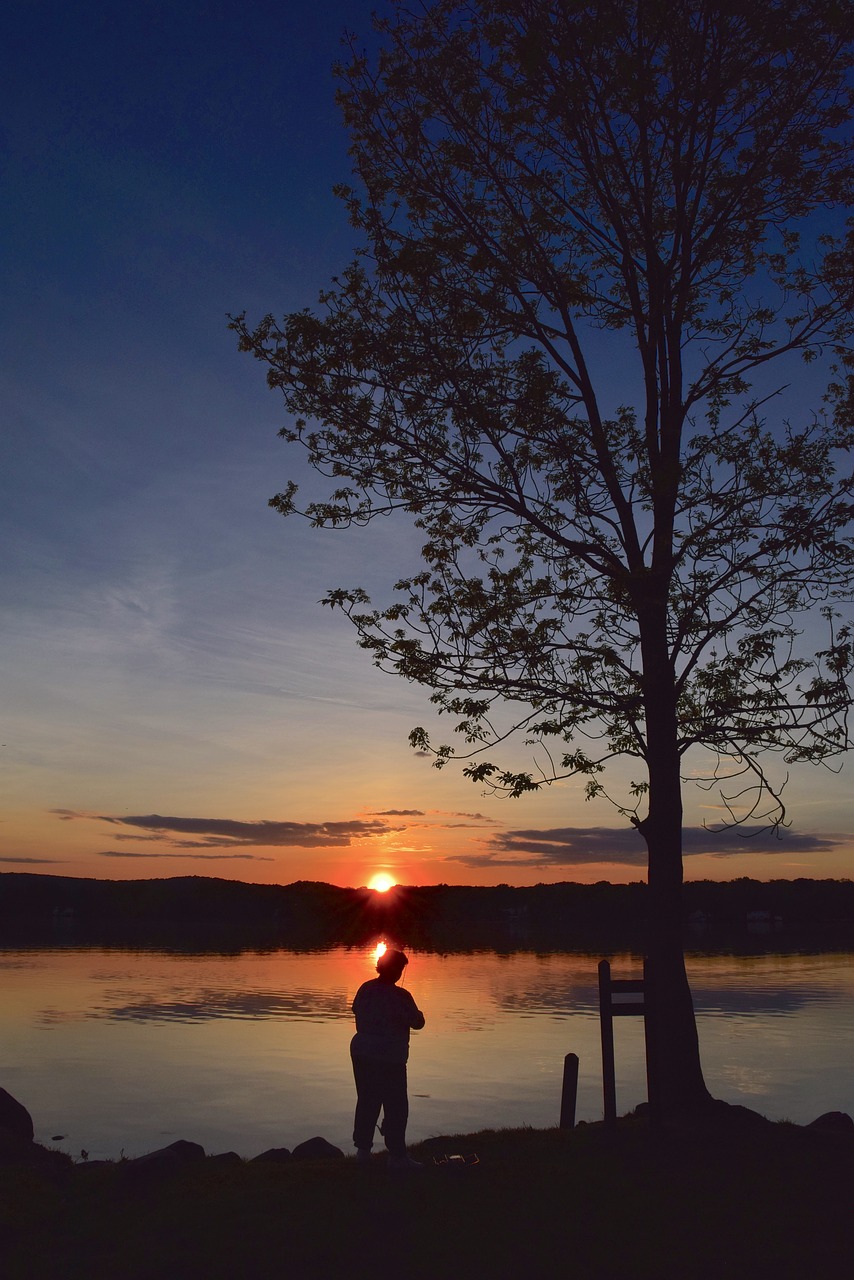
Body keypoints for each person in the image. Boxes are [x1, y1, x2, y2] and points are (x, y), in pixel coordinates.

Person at [350, 948, 425, 1170]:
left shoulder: (365, 988)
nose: (401, 972)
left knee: (367, 1100)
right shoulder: (402, 996)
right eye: (400, 968)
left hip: (362, 1051)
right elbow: (418, 1022)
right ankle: (397, 1156)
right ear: (394, 969)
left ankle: (363, 1152)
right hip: (389, 1056)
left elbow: (356, 1010)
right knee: (396, 1105)